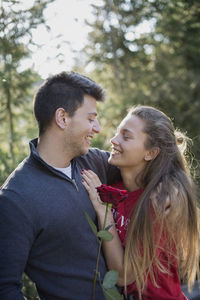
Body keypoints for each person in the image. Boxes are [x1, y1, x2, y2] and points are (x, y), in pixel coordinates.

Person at [0, 71, 120, 300]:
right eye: (91, 118)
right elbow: (5, 288)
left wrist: (170, 189)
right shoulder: (15, 199)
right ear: (62, 118)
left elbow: (141, 162)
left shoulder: (93, 160)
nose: (98, 128)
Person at [82, 105, 200, 300]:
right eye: (117, 132)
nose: (113, 140)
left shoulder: (161, 201)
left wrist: (104, 211)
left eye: (126, 136)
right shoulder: (115, 188)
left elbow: (123, 276)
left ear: (151, 153)